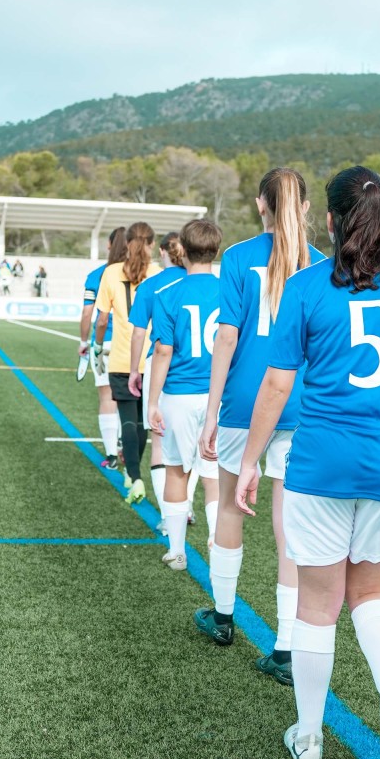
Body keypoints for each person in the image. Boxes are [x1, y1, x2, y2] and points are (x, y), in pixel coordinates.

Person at [233, 165, 380, 759]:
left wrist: (250, 462)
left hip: (321, 465)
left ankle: (308, 738)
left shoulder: (306, 287)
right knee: (374, 594)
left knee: (316, 605)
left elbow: (277, 385)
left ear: (329, 220)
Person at [198, 168, 325, 682]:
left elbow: (227, 337)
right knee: (289, 525)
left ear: (260, 204)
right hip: (300, 404)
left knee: (230, 507)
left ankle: (223, 618)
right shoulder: (320, 264)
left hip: (245, 403)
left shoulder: (237, 257)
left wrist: (211, 411)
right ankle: (287, 647)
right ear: (306, 207)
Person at [148, 220, 222, 569]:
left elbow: (163, 350)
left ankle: (177, 550)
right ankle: (217, 539)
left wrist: (152, 402)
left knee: (176, 470)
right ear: (215, 250)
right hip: (219, 395)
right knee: (214, 473)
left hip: (178, 393)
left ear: (183, 251)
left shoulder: (168, 294)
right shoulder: (232, 292)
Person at [94, 222, 160, 504]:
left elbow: (102, 319)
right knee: (143, 423)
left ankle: (134, 476)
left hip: (122, 358)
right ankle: (135, 472)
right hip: (152, 360)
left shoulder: (111, 272)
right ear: (152, 244)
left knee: (128, 420)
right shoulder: (158, 273)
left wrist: (98, 346)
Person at [128, 232, 186, 529]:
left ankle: (168, 514)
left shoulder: (151, 286)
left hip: (161, 363)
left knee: (160, 440)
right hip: (200, 367)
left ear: (162, 251)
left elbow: (139, 332)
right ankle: (187, 507)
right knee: (198, 441)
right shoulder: (199, 282)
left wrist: (134, 370)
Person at [78, 227, 127, 468]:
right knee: (130, 398)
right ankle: (127, 445)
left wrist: (84, 342)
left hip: (106, 342)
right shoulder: (141, 273)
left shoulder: (97, 275)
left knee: (107, 397)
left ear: (109, 245)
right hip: (132, 343)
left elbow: (89, 314)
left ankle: (111, 455)